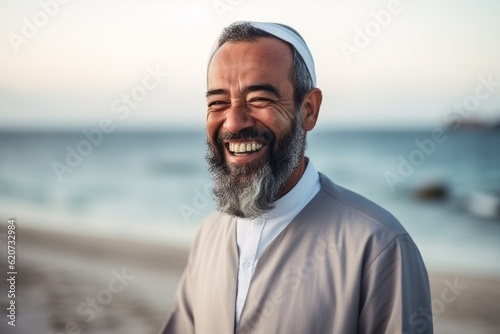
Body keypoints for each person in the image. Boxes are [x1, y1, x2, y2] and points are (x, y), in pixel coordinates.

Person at [160, 21, 433, 334]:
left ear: (309, 110)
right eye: (217, 103)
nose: (234, 122)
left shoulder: (378, 245)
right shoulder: (208, 236)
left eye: (259, 99)